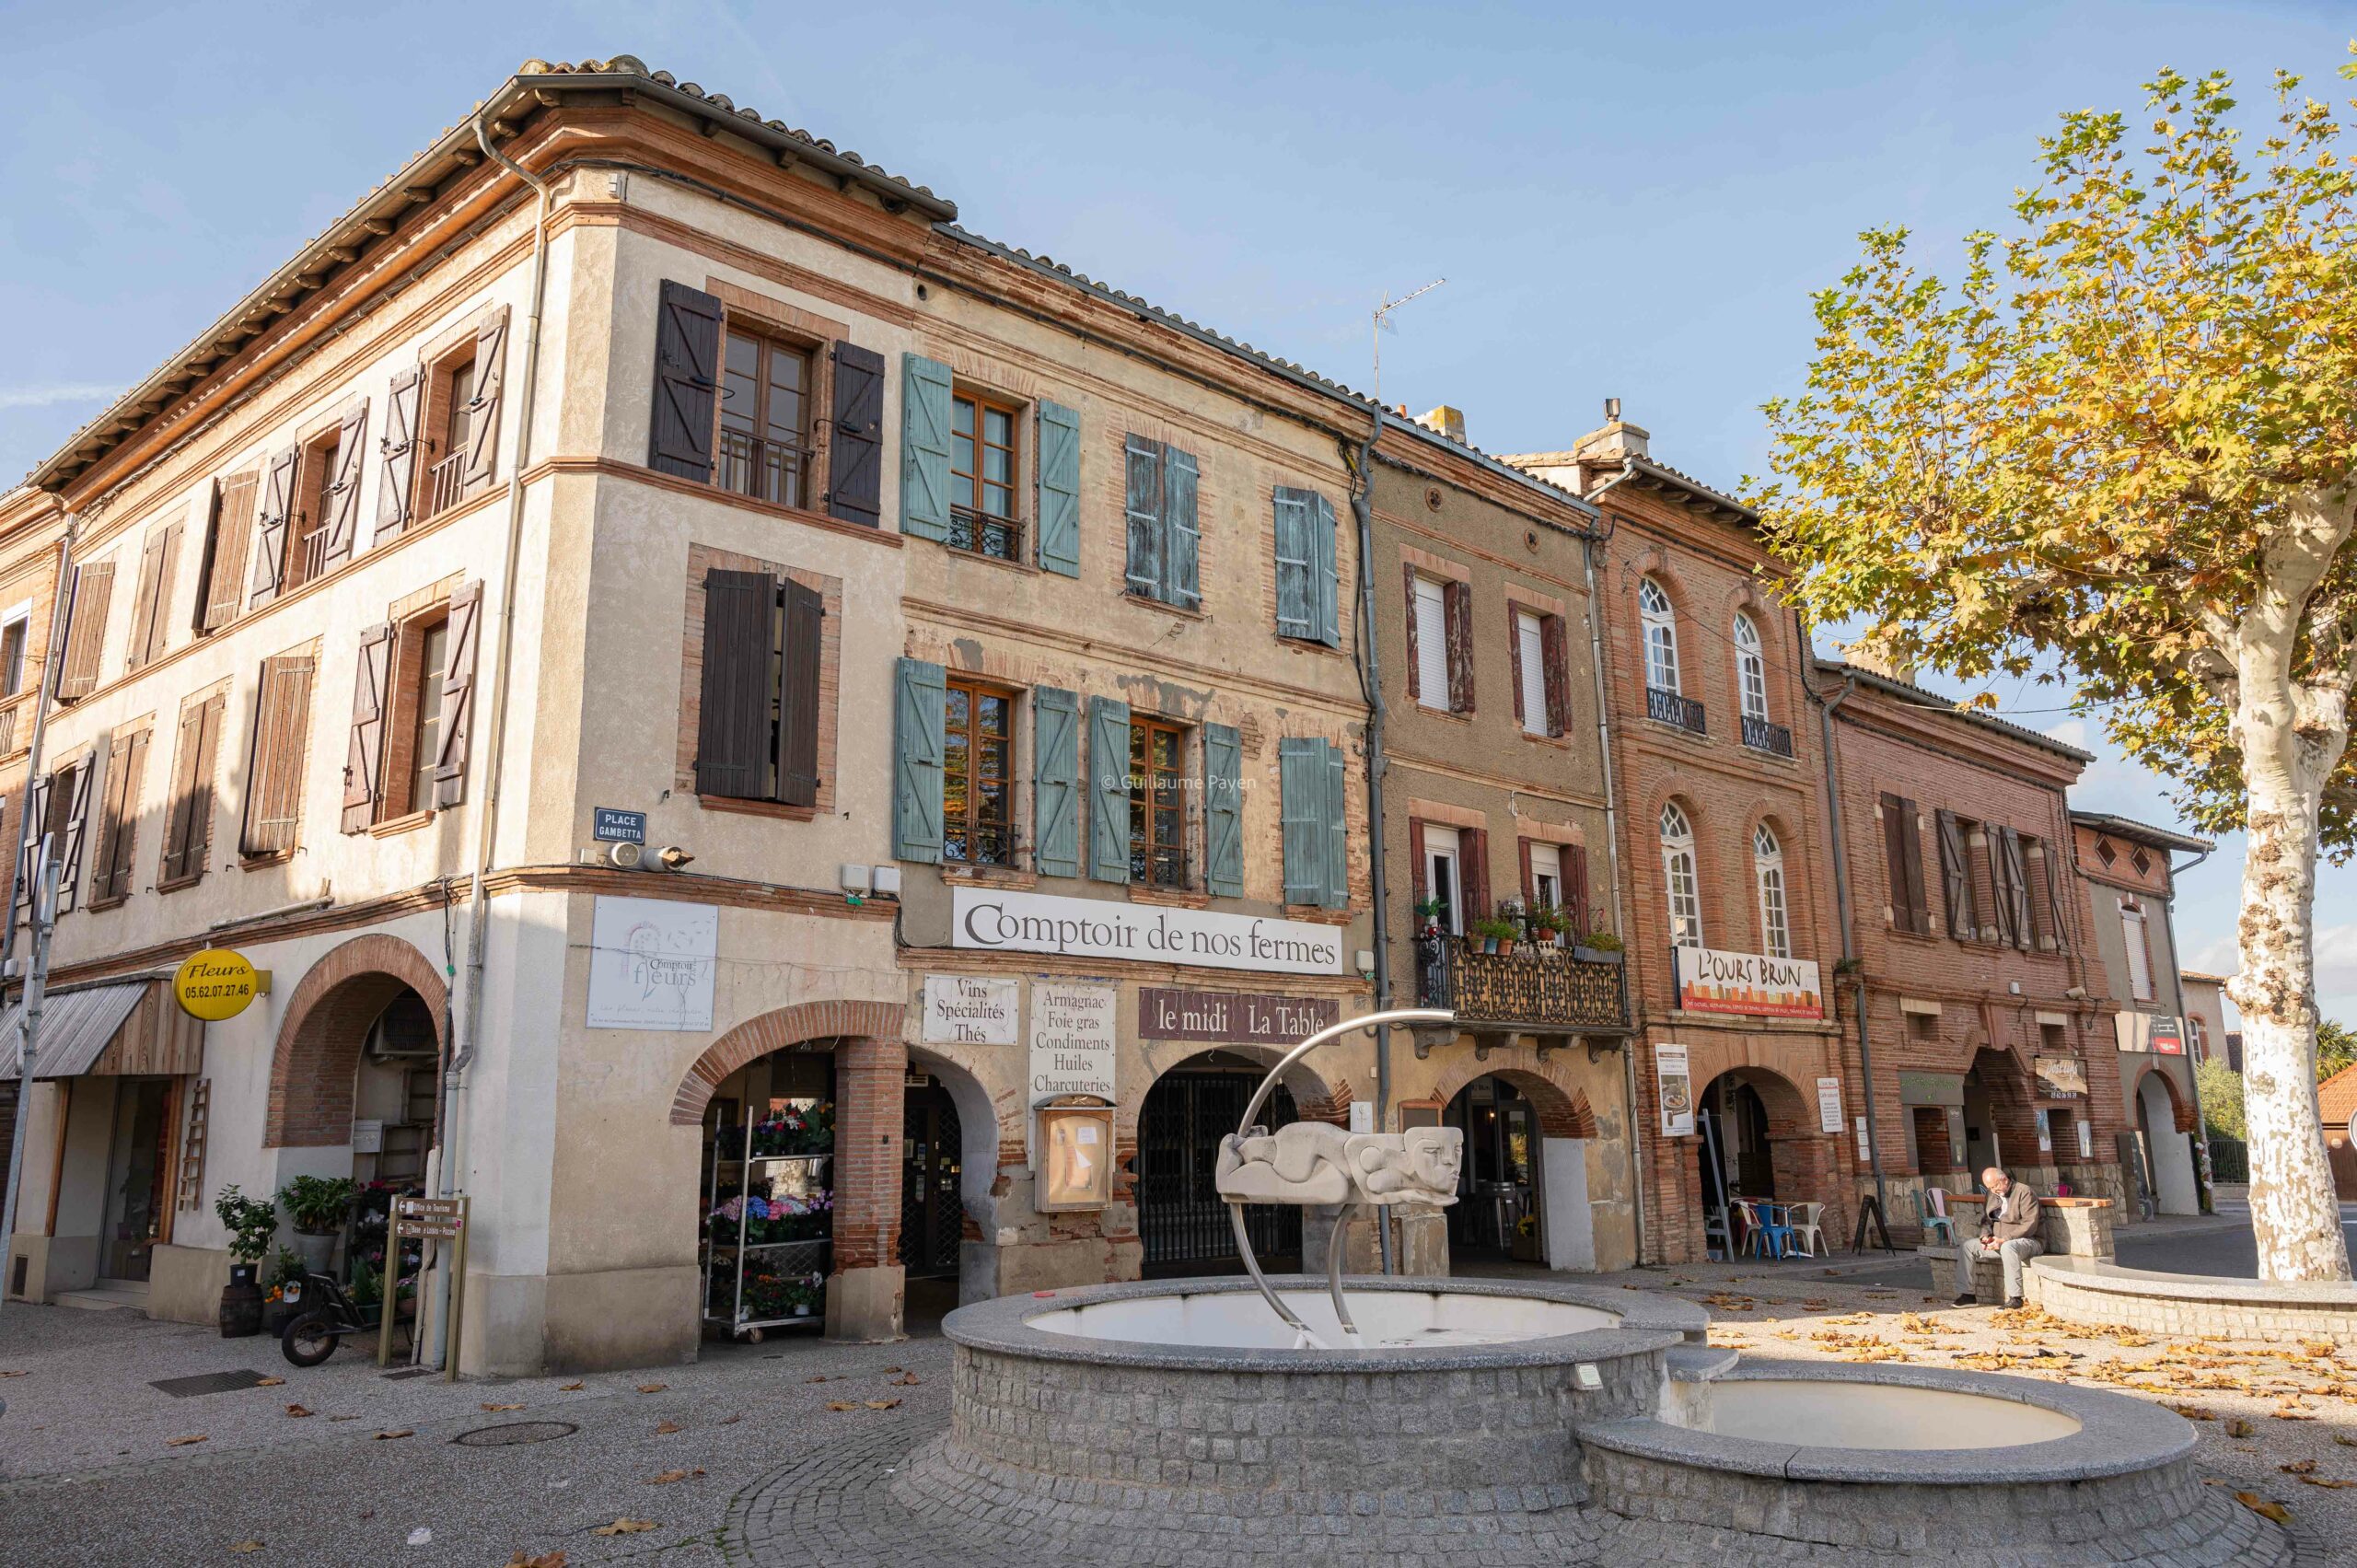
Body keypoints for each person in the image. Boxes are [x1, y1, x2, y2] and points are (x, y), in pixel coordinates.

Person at [1952, 1166, 2042, 1308]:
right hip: (1999, 1241)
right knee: (1967, 1246)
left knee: (2008, 1247)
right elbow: (1987, 1220)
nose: (1993, 1191)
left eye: (1995, 1186)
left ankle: (2015, 1298)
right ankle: (1967, 1295)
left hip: (2028, 1241)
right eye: (1990, 1188)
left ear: (2004, 1180)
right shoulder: (1991, 1195)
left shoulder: (2024, 1192)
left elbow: (2029, 1225)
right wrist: (1985, 1236)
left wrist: (2004, 1239)